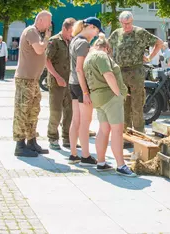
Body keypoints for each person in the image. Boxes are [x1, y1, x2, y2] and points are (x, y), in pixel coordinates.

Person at [84, 36, 136, 176]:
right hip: (109, 97)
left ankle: (101, 163)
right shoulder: (101, 55)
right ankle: (121, 165)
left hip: (98, 97)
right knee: (117, 131)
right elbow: (108, 74)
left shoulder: (88, 57)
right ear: (107, 48)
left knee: (104, 129)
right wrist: (118, 93)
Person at [108, 11, 163, 138]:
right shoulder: (117, 33)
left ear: (132, 21)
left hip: (136, 72)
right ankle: (125, 136)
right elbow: (108, 47)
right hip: (120, 72)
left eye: (128, 23)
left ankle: (139, 135)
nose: (126, 26)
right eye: (123, 24)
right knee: (123, 105)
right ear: (120, 22)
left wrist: (149, 57)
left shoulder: (140, 33)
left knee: (137, 105)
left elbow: (159, 43)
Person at [13, 11, 52, 157]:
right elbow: (39, 49)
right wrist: (47, 38)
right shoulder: (31, 31)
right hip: (25, 79)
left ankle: (31, 141)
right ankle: (20, 145)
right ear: (41, 20)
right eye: (48, 22)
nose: (49, 25)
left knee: (34, 111)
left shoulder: (37, 33)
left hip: (33, 80)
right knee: (22, 111)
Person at [68, 17, 103, 165]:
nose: (96, 34)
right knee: (85, 122)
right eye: (96, 30)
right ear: (90, 27)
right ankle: (86, 156)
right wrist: (86, 92)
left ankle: (74, 154)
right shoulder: (83, 43)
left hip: (73, 83)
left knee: (76, 120)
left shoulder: (75, 39)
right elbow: (79, 69)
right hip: (81, 85)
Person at [46, 18, 76, 152]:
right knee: (56, 112)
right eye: (71, 31)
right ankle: (53, 138)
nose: (73, 34)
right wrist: (57, 77)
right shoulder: (54, 41)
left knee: (70, 112)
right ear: (64, 29)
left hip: (69, 82)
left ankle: (67, 138)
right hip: (56, 83)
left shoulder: (72, 41)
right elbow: (46, 61)